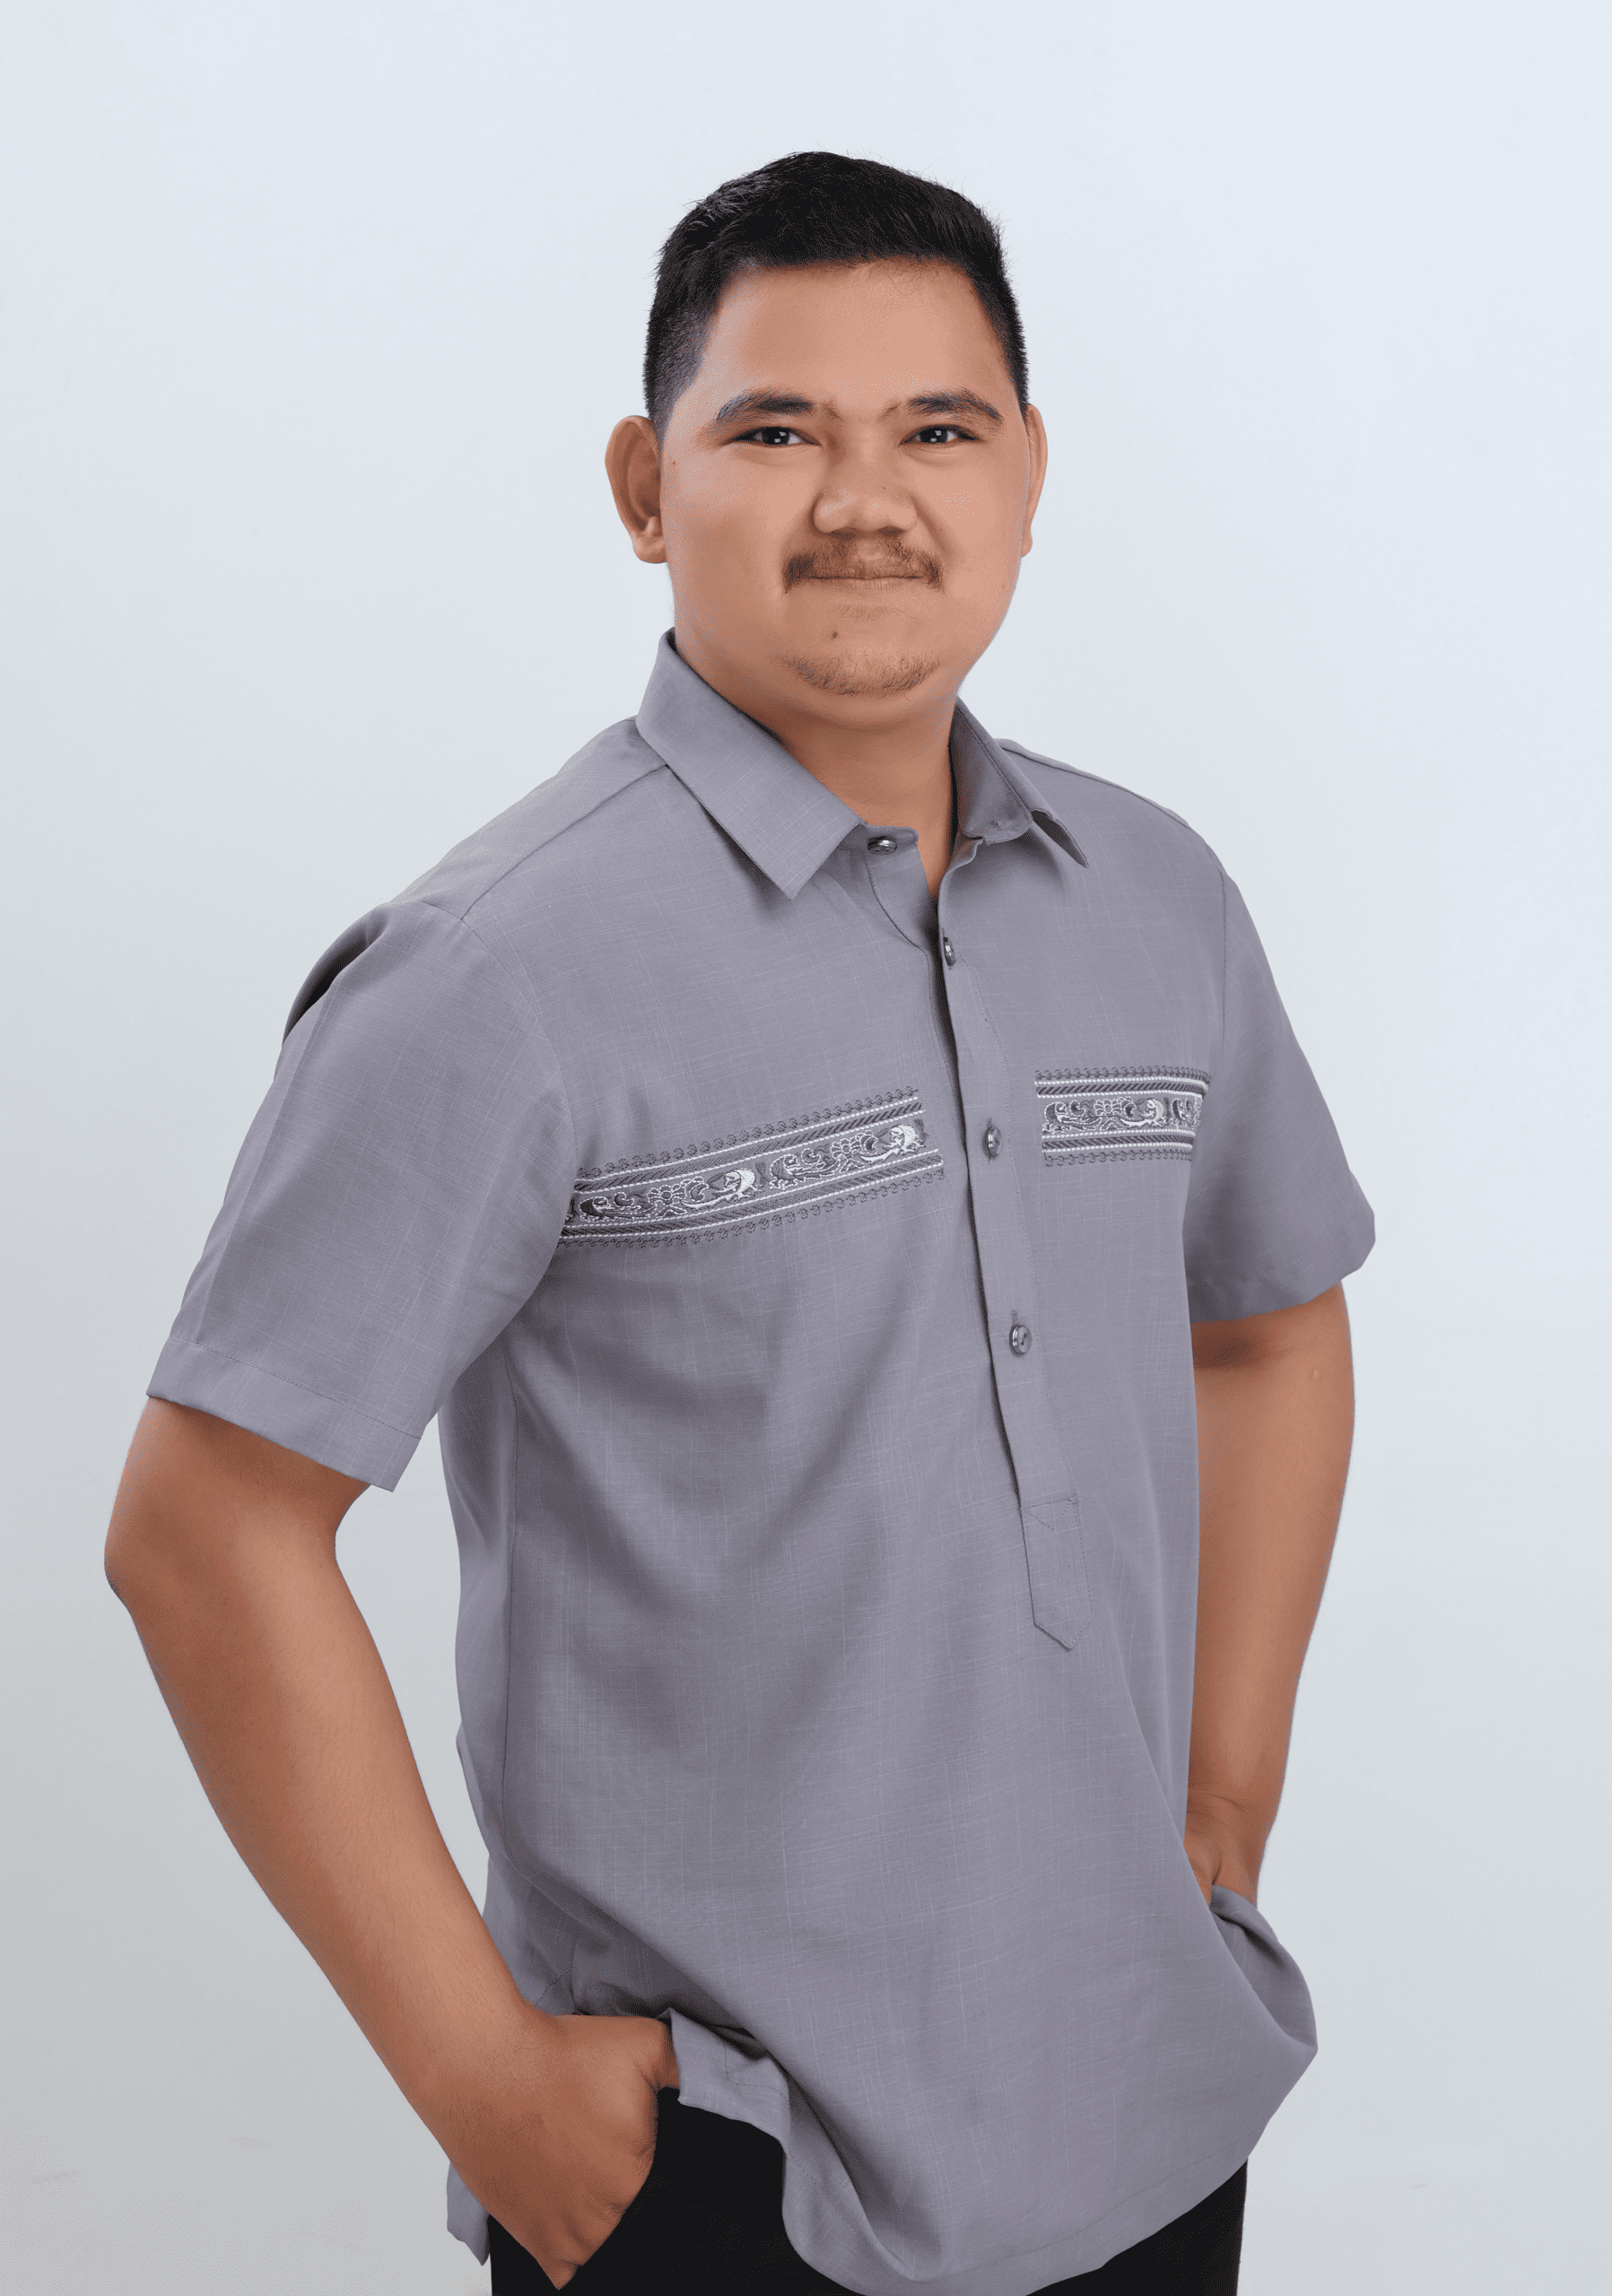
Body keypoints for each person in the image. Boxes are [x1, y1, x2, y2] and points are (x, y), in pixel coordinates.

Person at [105, 151, 1372, 2296]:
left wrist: (1223, 1795)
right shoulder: (493, 969)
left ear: (1027, 474)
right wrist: (485, 2081)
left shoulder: (1159, 898)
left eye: (937, 429)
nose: (864, 499)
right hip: (725, 2171)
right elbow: (206, 1526)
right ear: (645, 483)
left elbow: (1267, 1320)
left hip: (1149, 2102)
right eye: (775, 429)